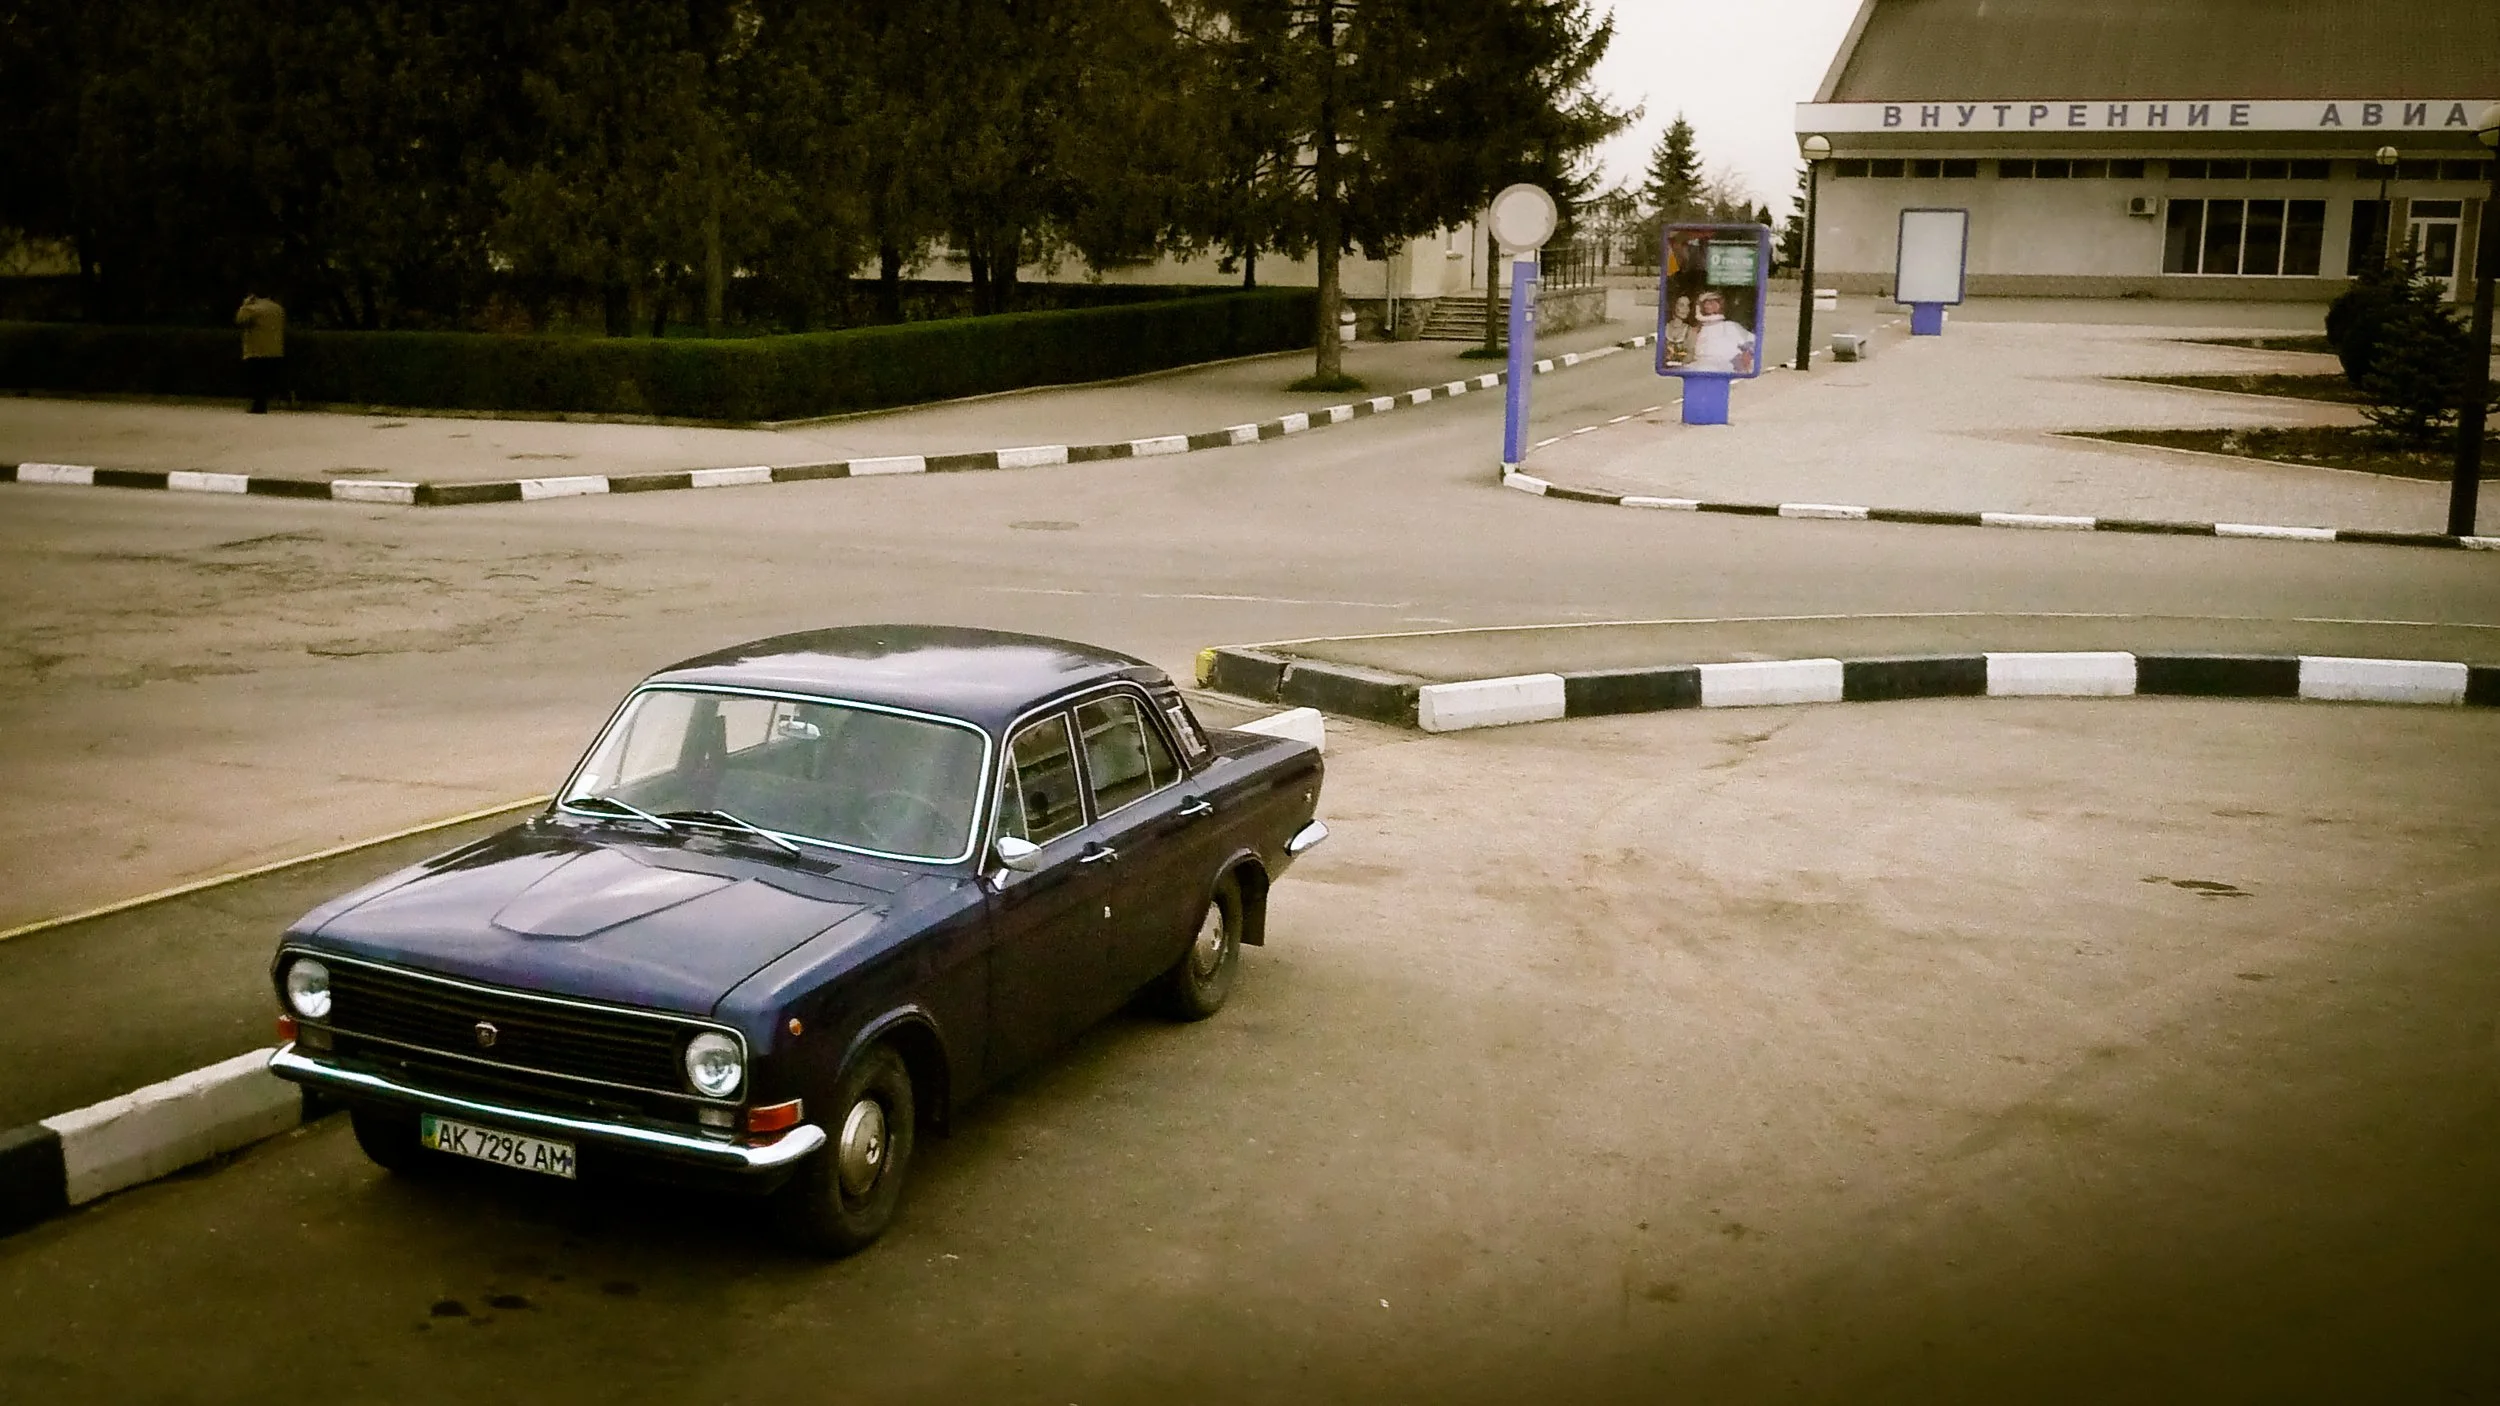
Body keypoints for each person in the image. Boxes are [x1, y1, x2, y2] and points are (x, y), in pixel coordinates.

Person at [235, 291, 286, 413]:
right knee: (267, 378)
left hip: (256, 349)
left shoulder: (252, 309)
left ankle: (258, 405)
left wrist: (245, 305)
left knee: (256, 380)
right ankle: (266, 402)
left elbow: (240, 320)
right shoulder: (278, 308)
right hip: (275, 349)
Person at [1686, 289, 1756, 374]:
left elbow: (1753, 344)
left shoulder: (1730, 326)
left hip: (1725, 370)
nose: (1708, 306)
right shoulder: (1697, 330)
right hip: (1699, 370)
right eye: (1706, 303)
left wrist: (1743, 359)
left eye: (1712, 302)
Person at [1662, 294, 1697, 364]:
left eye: (1688, 306)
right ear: (1674, 306)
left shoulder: (1689, 331)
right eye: (1681, 305)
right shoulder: (1664, 327)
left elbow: (1690, 354)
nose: (1686, 309)